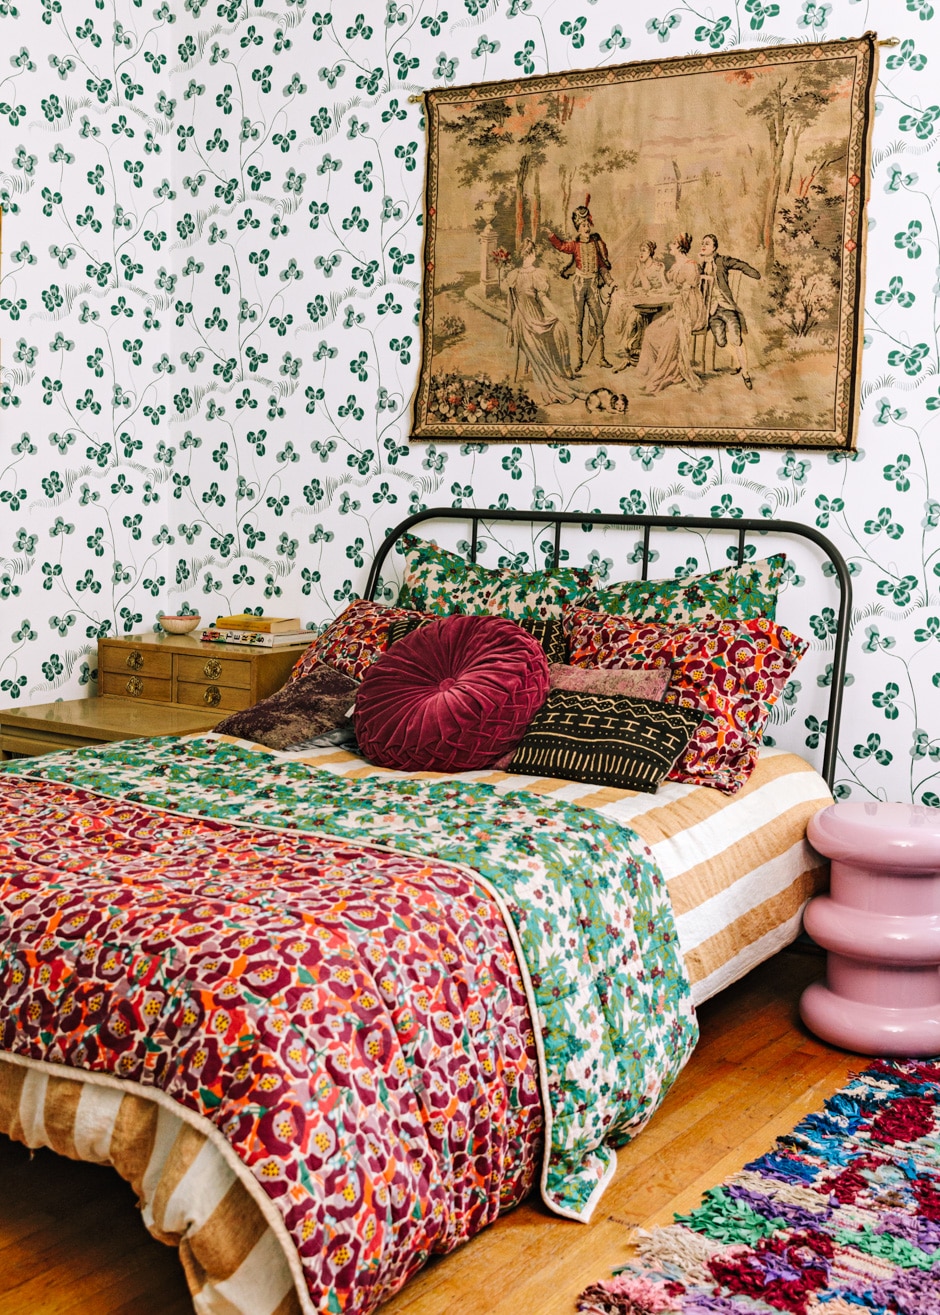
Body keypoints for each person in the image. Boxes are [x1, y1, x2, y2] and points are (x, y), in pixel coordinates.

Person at [504, 238, 585, 406]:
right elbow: (542, 300)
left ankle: (563, 368)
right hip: (526, 323)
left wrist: (511, 326)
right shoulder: (531, 275)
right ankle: (559, 372)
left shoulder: (516, 275)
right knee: (558, 327)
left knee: (558, 327)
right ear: (530, 254)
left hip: (528, 320)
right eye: (534, 253)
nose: (535, 256)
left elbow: (511, 306)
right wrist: (558, 313)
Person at [542, 200, 612, 372]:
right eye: (582, 226)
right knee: (579, 321)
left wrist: (610, 281)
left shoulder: (597, 243)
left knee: (599, 320)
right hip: (580, 285)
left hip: (594, 285)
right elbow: (561, 246)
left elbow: (602, 265)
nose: (586, 228)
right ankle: (579, 360)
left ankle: (601, 358)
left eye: (587, 224)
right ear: (578, 228)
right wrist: (551, 235)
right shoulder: (575, 245)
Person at [634, 232, 705, 396]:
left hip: (690, 310)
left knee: (669, 334)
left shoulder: (690, 265)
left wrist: (670, 315)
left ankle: (658, 379)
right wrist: (660, 283)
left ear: (679, 247)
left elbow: (687, 295)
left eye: (673, 244)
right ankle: (648, 372)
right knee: (651, 330)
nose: (670, 247)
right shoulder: (675, 265)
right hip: (679, 307)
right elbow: (671, 288)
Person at [698, 232, 762, 389]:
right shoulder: (700, 266)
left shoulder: (722, 260)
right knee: (721, 342)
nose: (703, 245)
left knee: (736, 337)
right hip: (712, 312)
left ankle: (745, 373)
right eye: (702, 243)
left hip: (726, 307)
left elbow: (740, 264)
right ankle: (741, 361)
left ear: (714, 247)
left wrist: (755, 274)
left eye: (707, 243)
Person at [607, 239, 667, 369]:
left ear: (650, 252)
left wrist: (639, 269)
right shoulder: (642, 266)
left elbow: (646, 287)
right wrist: (636, 269)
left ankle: (643, 351)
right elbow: (629, 283)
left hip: (657, 302)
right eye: (640, 250)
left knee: (636, 317)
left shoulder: (656, 266)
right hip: (645, 300)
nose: (641, 253)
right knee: (630, 315)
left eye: (644, 251)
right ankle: (635, 349)